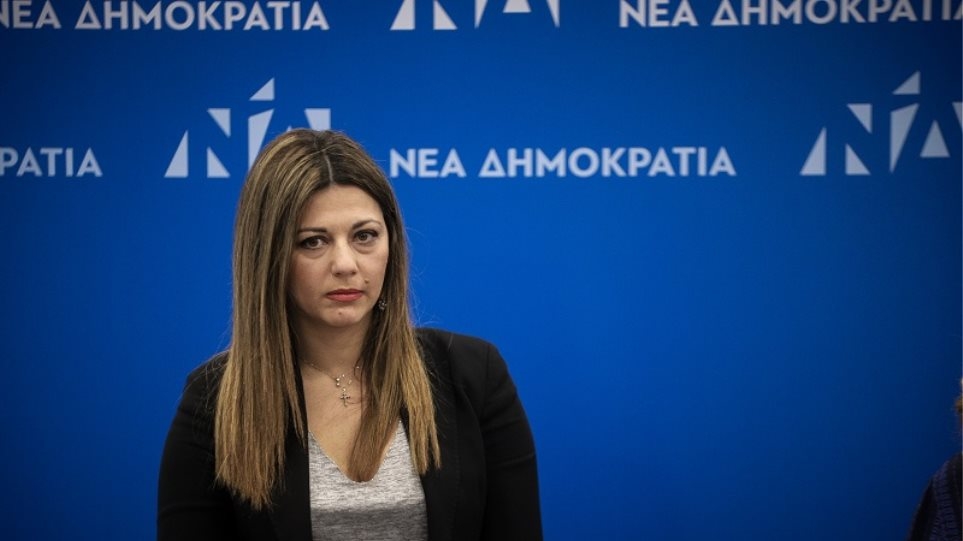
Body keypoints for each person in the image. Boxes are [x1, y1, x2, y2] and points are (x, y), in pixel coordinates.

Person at [157, 129, 541, 541]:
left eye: (364, 236)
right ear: (268, 257)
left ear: (391, 243)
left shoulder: (474, 374)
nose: (345, 264)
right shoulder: (215, 400)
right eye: (313, 242)